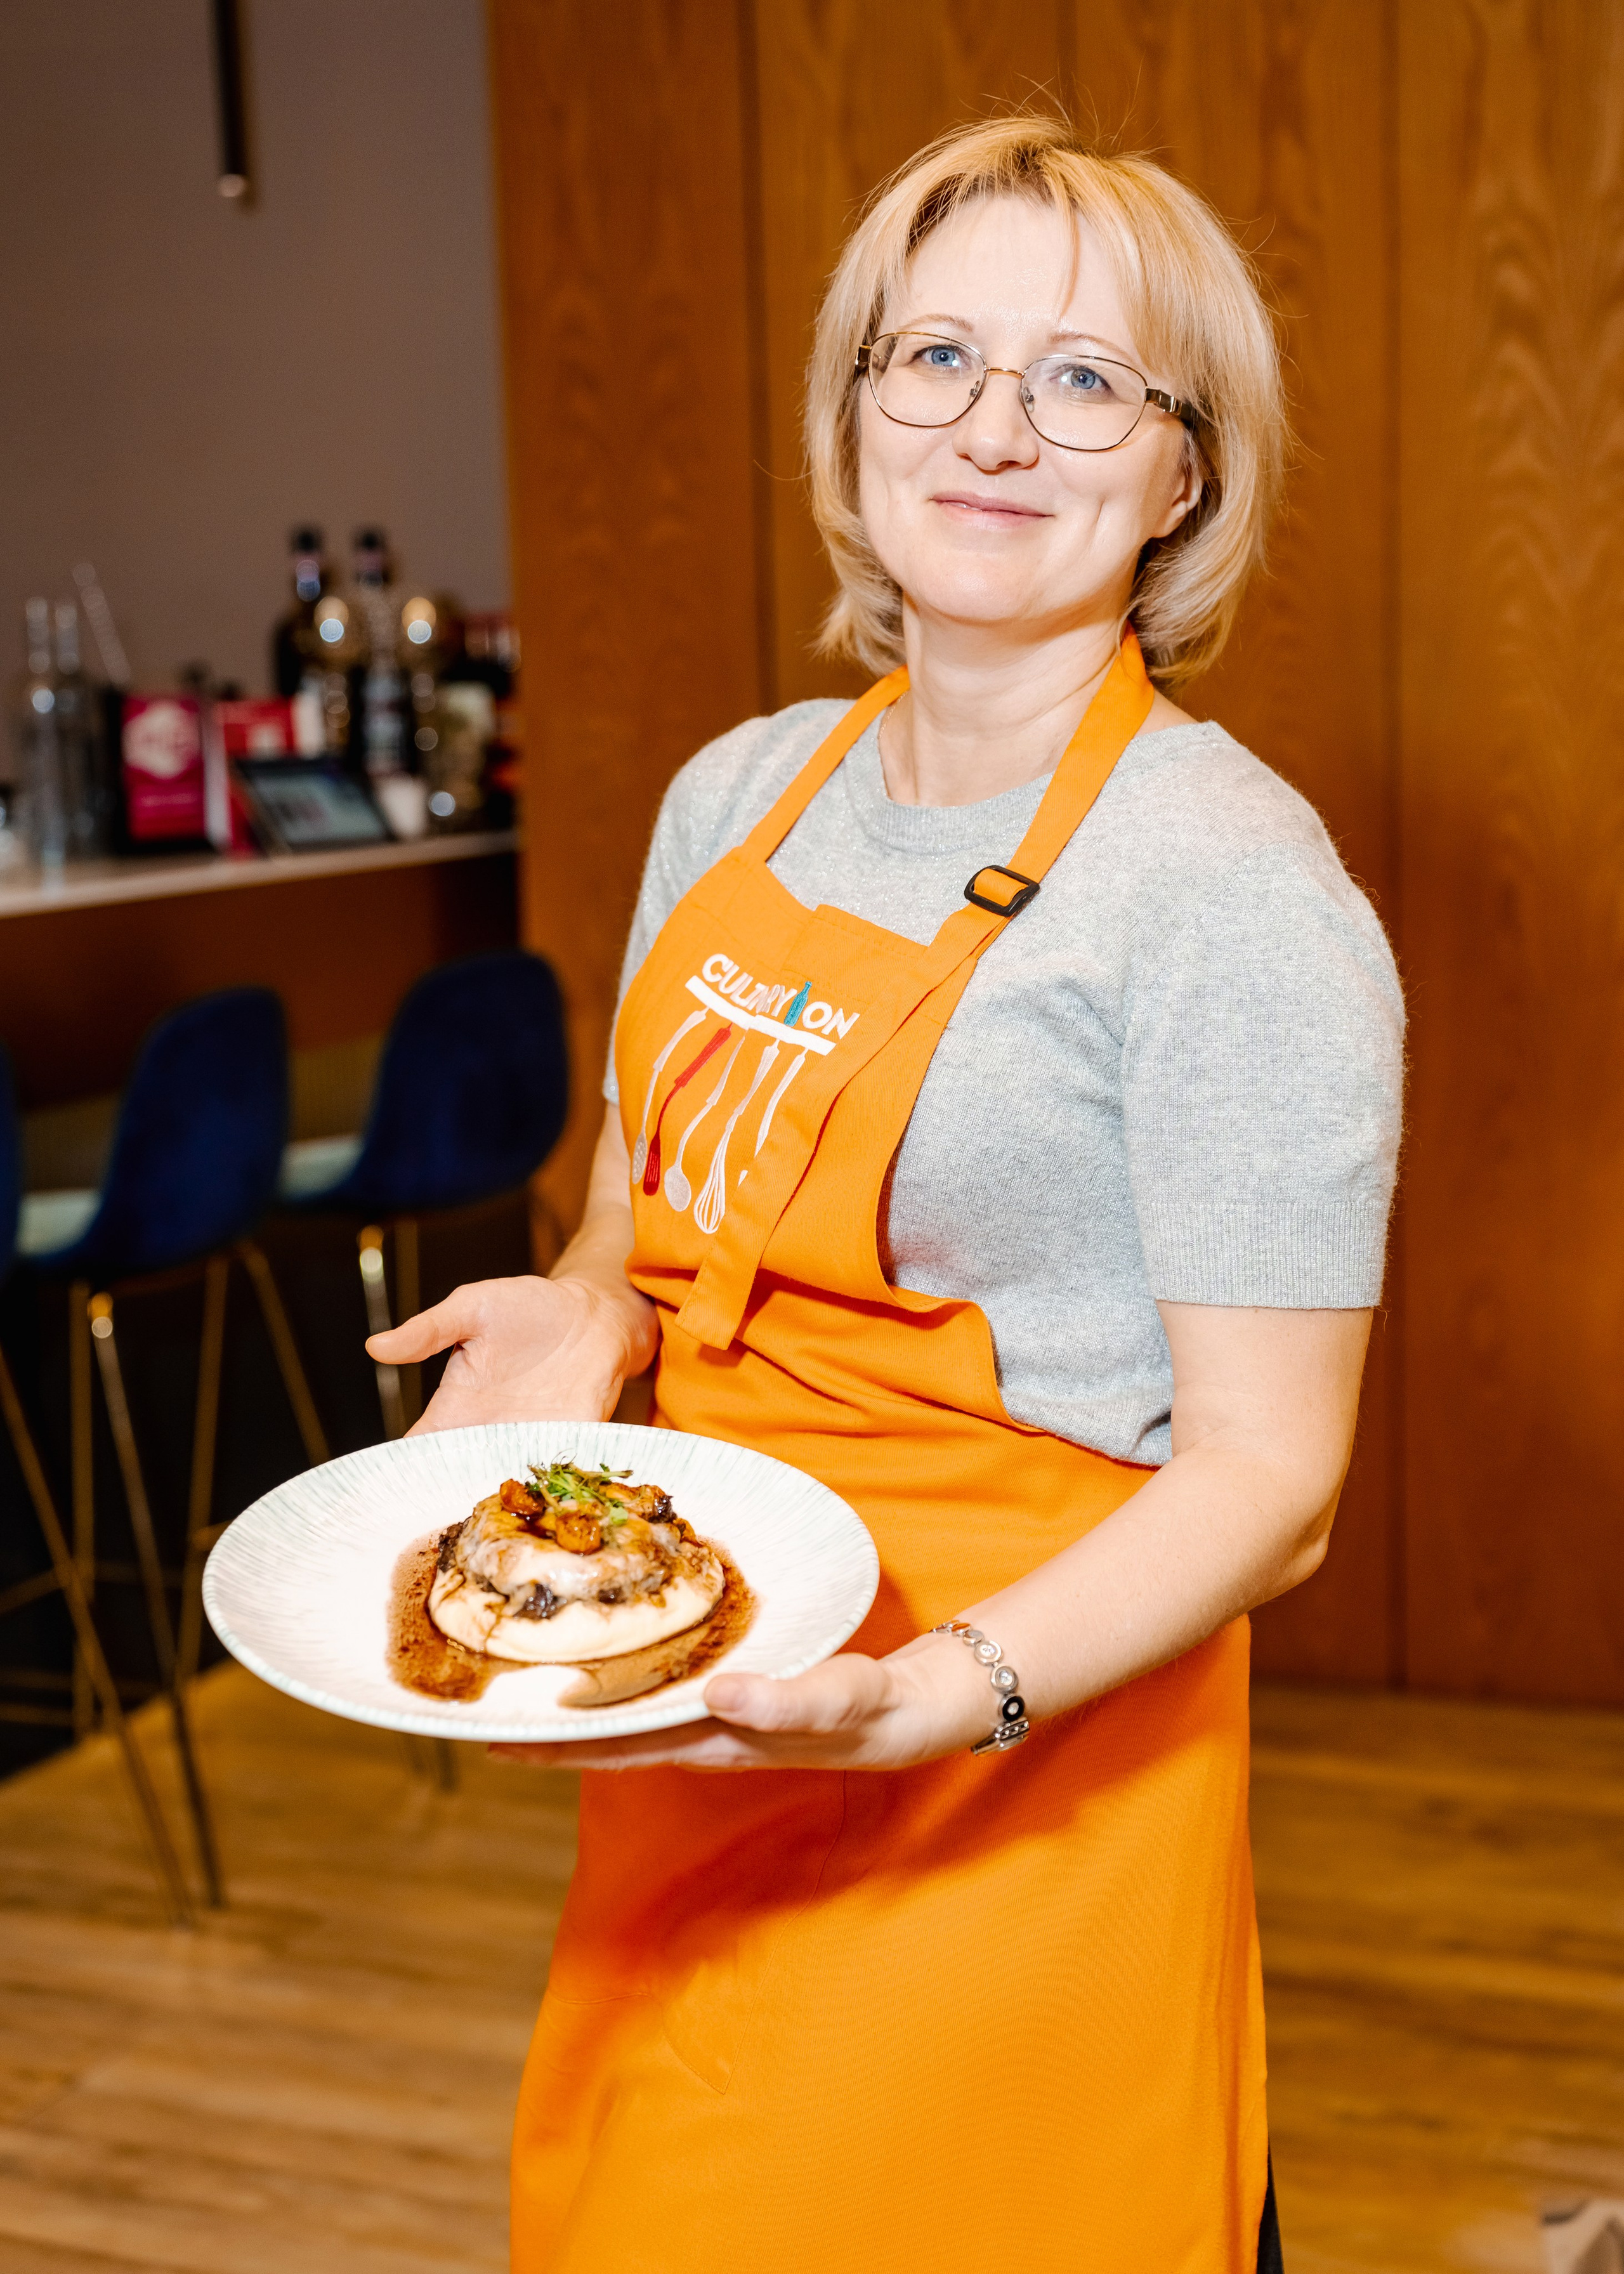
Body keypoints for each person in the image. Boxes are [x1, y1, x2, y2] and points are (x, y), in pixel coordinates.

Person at [372, 114, 1403, 2273]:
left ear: (1183, 470)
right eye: (933, 358)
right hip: (717, 1722)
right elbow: (636, 1205)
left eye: (1086, 379)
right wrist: (594, 1311)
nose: (997, 428)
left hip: (1017, 1766)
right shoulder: (740, 792)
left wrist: (941, 1693)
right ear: (851, 433)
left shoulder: (1232, 893)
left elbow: (1273, 1480)